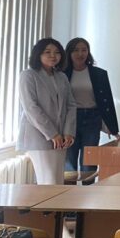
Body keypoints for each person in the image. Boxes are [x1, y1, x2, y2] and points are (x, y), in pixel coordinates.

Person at [17, 38, 76, 185]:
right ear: (38, 54)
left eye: (57, 52)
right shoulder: (28, 75)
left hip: (61, 138)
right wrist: (52, 134)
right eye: (47, 52)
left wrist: (68, 132)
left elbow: (71, 105)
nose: (53, 56)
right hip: (38, 136)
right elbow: (31, 108)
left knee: (58, 182)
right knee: (48, 181)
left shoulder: (61, 76)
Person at [63, 37, 120, 176]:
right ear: (69, 53)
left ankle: (89, 188)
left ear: (88, 52)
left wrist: (112, 128)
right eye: (76, 50)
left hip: (92, 119)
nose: (80, 54)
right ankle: (69, 189)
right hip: (70, 120)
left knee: (89, 162)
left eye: (84, 50)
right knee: (69, 162)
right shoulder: (61, 74)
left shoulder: (99, 74)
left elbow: (107, 102)